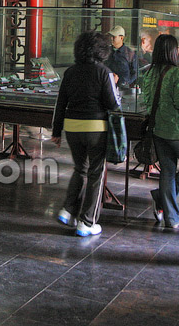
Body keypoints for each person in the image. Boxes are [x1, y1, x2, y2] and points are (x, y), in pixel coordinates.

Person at [51, 31, 121, 237]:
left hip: (72, 128)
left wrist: (56, 130)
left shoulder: (70, 72)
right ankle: (87, 222)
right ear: (102, 51)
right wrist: (114, 85)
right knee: (96, 173)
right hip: (95, 129)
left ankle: (67, 210)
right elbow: (113, 104)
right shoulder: (104, 72)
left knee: (80, 169)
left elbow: (61, 103)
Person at [139, 33, 179, 229]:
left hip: (158, 128)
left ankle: (171, 216)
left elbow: (148, 100)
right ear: (172, 51)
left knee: (168, 171)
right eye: (177, 48)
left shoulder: (149, 72)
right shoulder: (177, 73)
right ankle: (161, 198)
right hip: (178, 130)